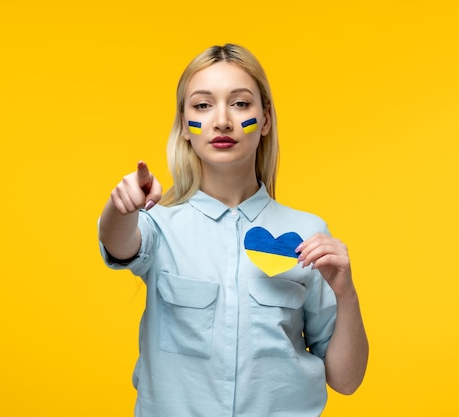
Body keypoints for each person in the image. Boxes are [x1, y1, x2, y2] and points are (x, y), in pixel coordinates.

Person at [98, 43, 368, 416]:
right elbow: (118, 243)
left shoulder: (308, 233)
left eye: (240, 103)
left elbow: (346, 380)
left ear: (266, 119)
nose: (222, 120)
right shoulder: (158, 223)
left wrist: (346, 292)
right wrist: (120, 206)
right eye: (202, 105)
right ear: (183, 124)